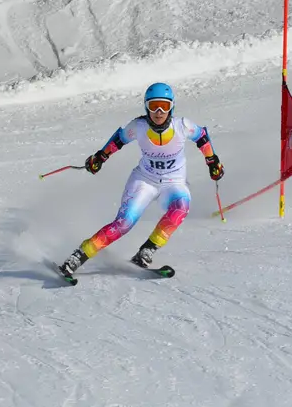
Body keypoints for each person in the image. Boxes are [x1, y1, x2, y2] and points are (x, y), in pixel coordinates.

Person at [58, 82, 224, 280]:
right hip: (145, 180)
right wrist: (100, 157)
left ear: (172, 106)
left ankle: (147, 250)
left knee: (180, 208)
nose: (159, 111)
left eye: (164, 105)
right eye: (154, 106)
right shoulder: (139, 126)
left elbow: (202, 137)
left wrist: (212, 161)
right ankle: (78, 256)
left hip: (174, 182)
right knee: (124, 224)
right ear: (146, 107)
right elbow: (118, 140)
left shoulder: (182, 126)